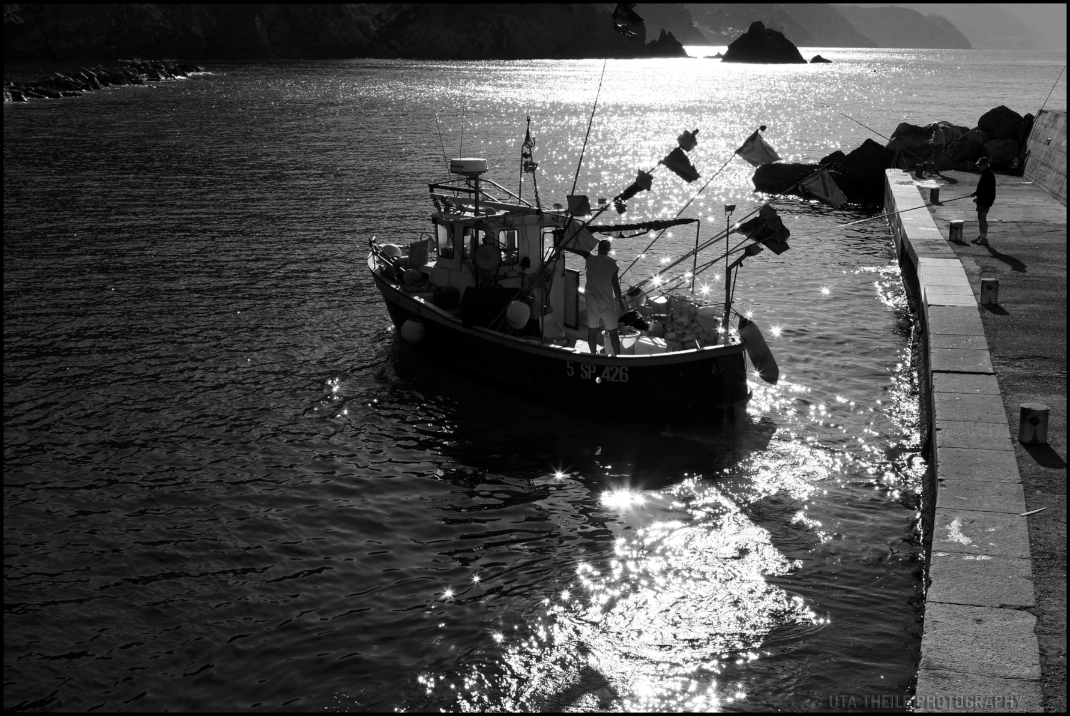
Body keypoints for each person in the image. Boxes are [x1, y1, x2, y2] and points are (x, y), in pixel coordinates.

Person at [581, 239, 624, 355]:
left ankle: (593, 355)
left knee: (592, 331)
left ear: (598, 248)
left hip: (592, 302)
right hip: (607, 303)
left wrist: (563, 245)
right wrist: (620, 302)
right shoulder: (612, 265)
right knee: (613, 333)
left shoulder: (590, 258)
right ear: (609, 250)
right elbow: (616, 287)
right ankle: (618, 356)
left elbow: (579, 250)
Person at [970, 156, 996, 246]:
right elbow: (982, 187)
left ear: (985, 165)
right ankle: (981, 236)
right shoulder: (984, 173)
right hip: (982, 200)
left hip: (985, 200)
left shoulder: (988, 175)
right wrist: (975, 192)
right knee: (980, 218)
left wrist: (979, 198)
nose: (978, 167)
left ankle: (984, 238)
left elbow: (988, 190)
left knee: (982, 218)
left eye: (980, 165)